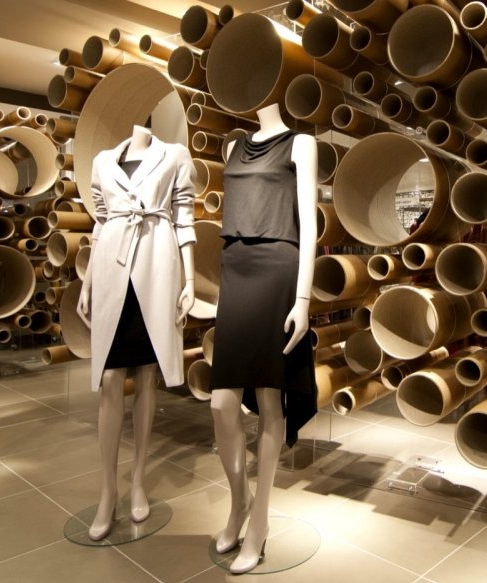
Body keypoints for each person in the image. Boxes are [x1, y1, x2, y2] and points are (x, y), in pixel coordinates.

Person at [208, 102, 318, 574]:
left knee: (271, 399)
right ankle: (240, 502)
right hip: (235, 267)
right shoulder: (233, 145)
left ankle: (259, 522)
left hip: (278, 268)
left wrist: (304, 298)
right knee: (221, 403)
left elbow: (309, 225)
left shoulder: (301, 143)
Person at [77, 125, 196, 541]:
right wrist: (88, 282)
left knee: (146, 374)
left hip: (156, 266)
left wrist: (190, 280)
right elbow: (100, 222)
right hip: (112, 267)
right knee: (110, 378)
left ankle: (139, 480)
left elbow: (184, 218)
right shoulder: (102, 161)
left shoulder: (175, 154)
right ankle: (108, 491)